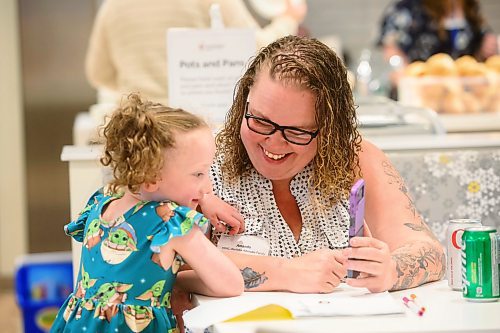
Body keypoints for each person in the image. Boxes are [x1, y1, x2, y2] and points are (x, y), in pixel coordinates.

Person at [198, 35, 445, 294]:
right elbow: (167, 265)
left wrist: (392, 270)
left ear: (329, 131)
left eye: (297, 132)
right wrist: (285, 273)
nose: (274, 143)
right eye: (260, 121)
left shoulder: (355, 160)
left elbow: (429, 251)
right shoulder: (201, 161)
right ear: (242, 106)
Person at [50, 93, 243, 333]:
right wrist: (179, 281)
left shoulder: (102, 205)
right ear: (151, 178)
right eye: (199, 174)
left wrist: (204, 198)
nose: (209, 186)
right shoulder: (170, 223)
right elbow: (231, 284)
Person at [85, 0, 307, 105]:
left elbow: (98, 73)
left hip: (137, 133)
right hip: (197, 134)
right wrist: (289, 19)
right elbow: (259, 53)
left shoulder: (113, 6)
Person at [378, 0, 497, 66]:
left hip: (462, 94)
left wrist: (486, 48)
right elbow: (390, 48)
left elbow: (481, 51)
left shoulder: (470, 9)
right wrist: (398, 67)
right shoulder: (407, 10)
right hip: (418, 91)